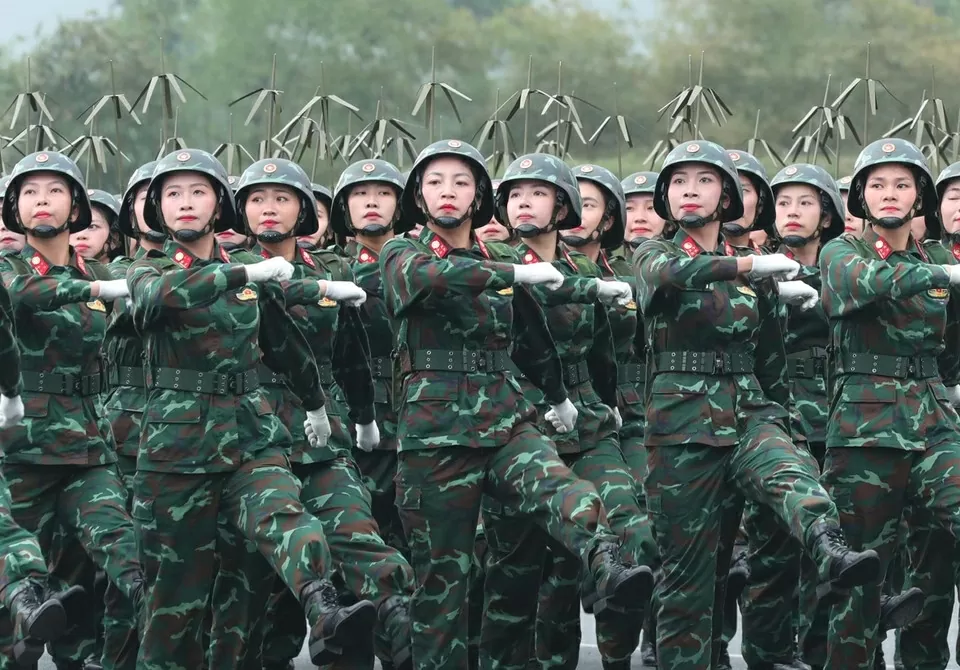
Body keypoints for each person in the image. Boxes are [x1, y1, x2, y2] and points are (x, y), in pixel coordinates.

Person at [381, 139, 649, 669]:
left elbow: (538, 319)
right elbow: (426, 280)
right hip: (435, 432)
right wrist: (512, 276)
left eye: (461, 182)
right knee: (444, 586)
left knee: (556, 483)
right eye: (435, 183)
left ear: (479, 194)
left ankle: (604, 556)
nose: (448, 193)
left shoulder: (501, 255)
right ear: (419, 195)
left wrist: (595, 296)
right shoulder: (402, 252)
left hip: (506, 418)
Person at [632, 140, 880, 669]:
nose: (691, 192)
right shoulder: (654, 254)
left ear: (726, 197)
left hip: (748, 408)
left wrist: (786, 419)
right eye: (679, 182)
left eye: (704, 181)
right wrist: (747, 263)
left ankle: (828, 545)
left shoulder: (757, 276)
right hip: (681, 428)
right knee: (688, 583)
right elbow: (669, 276)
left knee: (792, 472)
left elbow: (769, 360)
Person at [125, 148, 377, 668]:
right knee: (175, 606)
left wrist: (315, 406)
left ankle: (320, 602)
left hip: (249, 434)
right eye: (173, 194)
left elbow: (284, 344)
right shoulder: (146, 269)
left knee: (286, 516)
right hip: (176, 451)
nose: (186, 204)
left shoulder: (249, 271)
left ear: (219, 206)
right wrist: (246, 275)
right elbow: (159, 299)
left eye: (199, 192)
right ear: (159, 209)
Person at [234, 158, 416, 670]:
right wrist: (311, 291)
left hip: (320, 439)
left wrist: (363, 418)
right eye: (256, 199)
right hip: (245, 441)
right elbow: (258, 297)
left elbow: (351, 354)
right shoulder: (225, 267)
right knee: (257, 603)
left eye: (283, 199)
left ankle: (399, 626)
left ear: (305, 212)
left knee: (359, 535)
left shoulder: (333, 270)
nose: (269, 209)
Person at [813, 137, 960, 669]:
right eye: (877, 185)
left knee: (934, 573)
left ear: (919, 195)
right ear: (861, 197)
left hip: (935, 420)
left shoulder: (940, 256)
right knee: (862, 576)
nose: (890, 194)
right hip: (865, 429)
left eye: (901, 184)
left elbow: (954, 343)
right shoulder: (840, 253)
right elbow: (867, 284)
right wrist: (939, 275)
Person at [0, 151, 146, 668]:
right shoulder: (10, 268)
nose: (42, 200)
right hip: (20, 449)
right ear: (14, 209)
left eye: (54, 190)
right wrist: (98, 288)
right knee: (19, 589)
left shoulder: (104, 272)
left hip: (87, 447)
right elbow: (26, 294)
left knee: (116, 549)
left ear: (77, 205)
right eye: (30, 191)